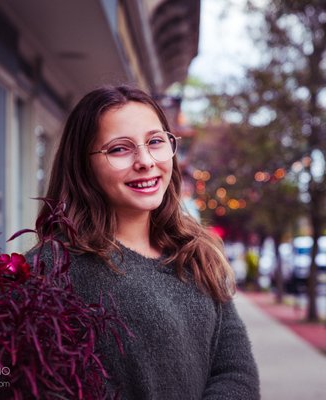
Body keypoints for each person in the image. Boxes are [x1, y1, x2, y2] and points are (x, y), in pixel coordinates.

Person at [30, 85, 260, 399]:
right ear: (83, 165)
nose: (146, 161)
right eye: (119, 149)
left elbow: (236, 372)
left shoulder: (196, 255)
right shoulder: (53, 268)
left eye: (155, 142)